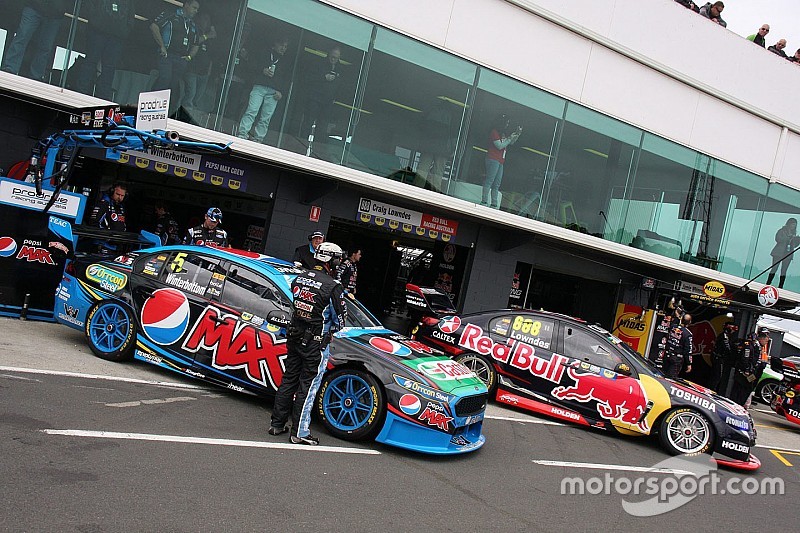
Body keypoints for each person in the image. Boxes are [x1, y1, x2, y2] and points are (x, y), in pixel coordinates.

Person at [270, 242, 347, 445]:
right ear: (333, 260)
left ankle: (277, 424)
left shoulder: (300, 277)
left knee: (289, 379)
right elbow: (341, 321)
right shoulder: (333, 286)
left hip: (294, 336)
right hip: (315, 343)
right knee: (309, 386)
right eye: (338, 260)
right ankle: (300, 432)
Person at [76, 0, 137, 100]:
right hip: (98, 31)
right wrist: (94, 19)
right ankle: (81, 92)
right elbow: (88, 4)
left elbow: (131, 11)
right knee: (91, 62)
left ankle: (102, 97)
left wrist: (126, 29)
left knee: (108, 67)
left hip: (116, 35)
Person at [237, 36, 290, 144]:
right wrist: (263, 70)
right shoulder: (264, 53)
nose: (283, 48)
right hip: (259, 86)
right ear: (275, 44)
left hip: (274, 92)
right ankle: (242, 134)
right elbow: (252, 66)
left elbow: (286, 80)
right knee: (252, 110)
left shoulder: (285, 62)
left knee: (266, 118)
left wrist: (281, 92)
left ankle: (258, 138)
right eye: (281, 45)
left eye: (285, 47)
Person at [1, 0, 71, 82]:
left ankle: (36, 76)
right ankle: (10, 68)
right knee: (22, 37)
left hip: (55, 13)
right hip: (35, 6)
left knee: (45, 46)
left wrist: (62, 7)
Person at [149, 0, 200, 107]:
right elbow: (154, 26)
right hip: (167, 54)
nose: (196, 11)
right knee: (165, 79)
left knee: (173, 85)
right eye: (194, 7)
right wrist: (162, 46)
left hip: (181, 59)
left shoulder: (192, 24)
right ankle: (151, 105)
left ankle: (164, 111)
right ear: (186, 5)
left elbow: (196, 43)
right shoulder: (171, 15)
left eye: (197, 9)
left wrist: (189, 57)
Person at [304, 45, 342, 142]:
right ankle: (301, 143)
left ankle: (317, 148)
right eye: (333, 57)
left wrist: (335, 98)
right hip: (315, 98)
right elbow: (308, 78)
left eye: (336, 58)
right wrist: (324, 77)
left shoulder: (340, 68)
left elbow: (341, 85)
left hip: (328, 101)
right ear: (329, 54)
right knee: (308, 122)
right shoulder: (319, 64)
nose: (334, 59)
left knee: (322, 127)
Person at [414, 100, 453, 193]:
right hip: (442, 147)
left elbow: (422, 127)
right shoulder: (451, 116)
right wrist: (451, 148)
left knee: (423, 168)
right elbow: (452, 134)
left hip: (429, 145)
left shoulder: (432, 112)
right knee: (438, 172)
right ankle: (435, 193)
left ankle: (416, 190)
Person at [482, 114, 521, 208]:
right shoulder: (494, 132)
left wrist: (516, 135)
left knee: (497, 183)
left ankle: (494, 203)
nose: (507, 125)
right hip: (493, 158)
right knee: (490, 180)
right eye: (506, 123)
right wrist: (509, 139)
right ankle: (484, 201)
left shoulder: (502, 134)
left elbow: (511, 143)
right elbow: (499, 146)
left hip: (500, 161)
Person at [182, 12, 216, 111]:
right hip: (191, 69)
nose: (206, 22)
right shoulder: (194, 29)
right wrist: (207, 36)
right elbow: (194, 41)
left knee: (197, 98)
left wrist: (209, 71)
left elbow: (211, 56)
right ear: (199, 19)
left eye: (208, 20)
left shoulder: (211, 39)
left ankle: (190, 115)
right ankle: (183, 117)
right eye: (204, 19)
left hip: (204, 72)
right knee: (190, 95)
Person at [89, 182, 128, 254]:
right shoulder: (104, 203)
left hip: (115, 247)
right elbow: (94, 223)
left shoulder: (120, 207)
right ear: (112, 192)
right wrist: (108, 237)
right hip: (103, 245)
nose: (120, 197)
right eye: (118, 194)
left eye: (122, 195)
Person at [766, 217, 798, 288]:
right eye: (792, 224)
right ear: (789, 224)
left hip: (788, 254)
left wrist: (797, 240)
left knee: (783, 271)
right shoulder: (782, 231)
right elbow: (778, 239)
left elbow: (795, 245)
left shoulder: (794, 234)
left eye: (795, 225)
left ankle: (780, 287)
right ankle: (768, 283)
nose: (793, 226)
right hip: (778, 253)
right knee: (774, 268)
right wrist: (788, 238)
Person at [662, 312, 693, 379]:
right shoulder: (688, 334)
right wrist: (689, 363)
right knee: (671, 379)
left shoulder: (673, 326)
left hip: (667, 355)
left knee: (662, 375)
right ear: (689, 322)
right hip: (676, 359)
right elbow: (688, 350)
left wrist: (677, 314)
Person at [710, 321, 737, 391]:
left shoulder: (727, 336)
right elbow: (727, 348)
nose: (733, 331)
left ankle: (713, 389)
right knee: (717, 376)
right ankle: (712, 390)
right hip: (718, 358)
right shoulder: (723, 336)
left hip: (719, 358)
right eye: (732, 329)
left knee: (717, 375)